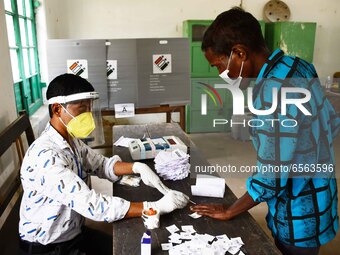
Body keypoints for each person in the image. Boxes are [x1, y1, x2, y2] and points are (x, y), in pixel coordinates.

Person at [190, 7, 340, 255]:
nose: (221, 75)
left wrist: (229, 210)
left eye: (219, 65)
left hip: (298, 214)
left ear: (240, 52)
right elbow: (331, 124)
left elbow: (271, 178)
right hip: (322, 192)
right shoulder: (298, 66)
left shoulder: (272, 93)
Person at [19, 73, 189, 255]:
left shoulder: (69, 139)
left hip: (72, 232)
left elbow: (100, 164)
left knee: (126, 249)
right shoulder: (46, 156)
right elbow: (92, 205)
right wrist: (153, 207)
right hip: (47, 246)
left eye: (89, 108)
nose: (88, 115)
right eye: (81, 108)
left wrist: (137, 168)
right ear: (57, 109)